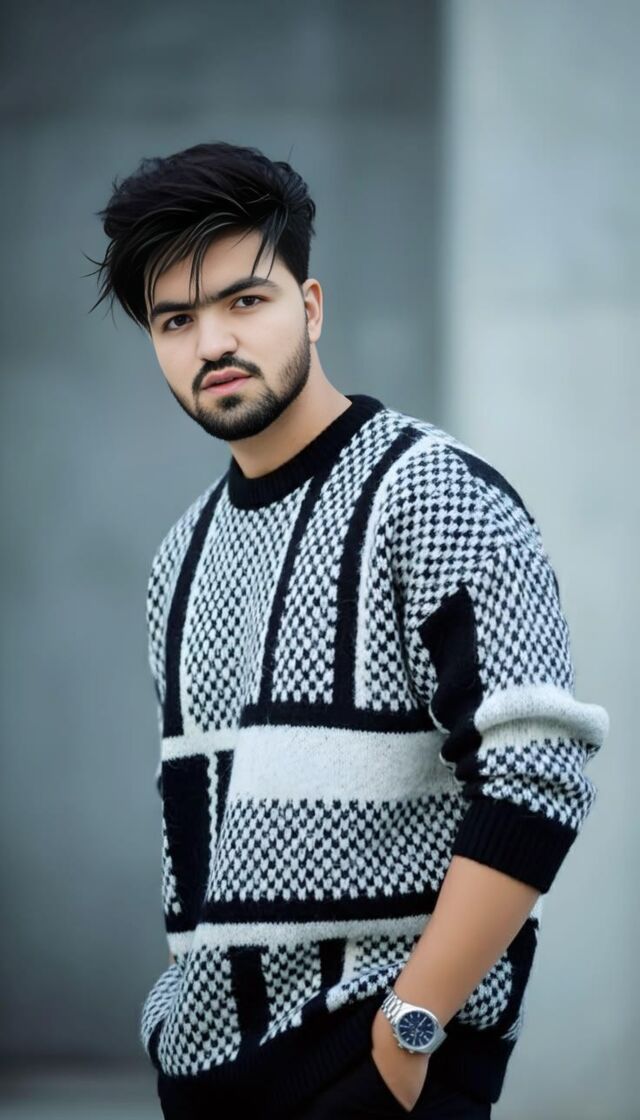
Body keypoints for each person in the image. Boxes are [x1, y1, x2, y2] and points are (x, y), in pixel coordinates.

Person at [90, 141, 609, 1118]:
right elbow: (200, 833)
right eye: (176, 319)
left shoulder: (433, 494)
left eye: (245, 300)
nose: (211, 343)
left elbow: (537, 776)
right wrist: (178, 1026)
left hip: (376, 1073)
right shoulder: (181, 556)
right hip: (209, 1079)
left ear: (312, 306)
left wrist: (412, 1028)